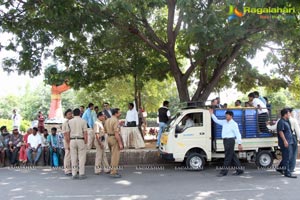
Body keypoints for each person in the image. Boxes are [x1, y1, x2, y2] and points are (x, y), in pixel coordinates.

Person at [209, 109, 244, 177]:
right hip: (225, 141)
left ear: (231, 116)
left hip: (230, 141)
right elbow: (217, 121)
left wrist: (239, 143)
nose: (226, 117)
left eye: (227, 115)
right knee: (233, 156)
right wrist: (211, 114)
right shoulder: (224, 122)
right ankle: (239, 170)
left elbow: (238, 134)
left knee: (227, 157)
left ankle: (223, 172)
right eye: (226, 115)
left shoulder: (234, 124)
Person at [67, 108, 88, 180]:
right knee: (81, 158)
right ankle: (81, 174)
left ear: (73, 114)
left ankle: (74, 174)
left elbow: (68, 133)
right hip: (80, 140)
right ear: (80, 113)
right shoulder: (83, 121)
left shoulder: (69, 122)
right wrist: (86, 142)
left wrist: (68, 142)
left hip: (72, 140)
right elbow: (85, 132)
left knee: (73, 158)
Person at [276, 108, 297, 178]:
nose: (289, 114)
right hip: (285, 142)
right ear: (285, 114)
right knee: (287, 157)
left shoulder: (286, 121)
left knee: (288, 156)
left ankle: (280, 168)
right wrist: (285, 141)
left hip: (289, 141)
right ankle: (287, 172)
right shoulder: (281, 122)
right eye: (288, 113)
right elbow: (280, 132)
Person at [104, 108, 123, 178]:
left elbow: (105, 130)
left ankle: (112, 170)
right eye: (119, 112)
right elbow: (116, 134)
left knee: (112, 155)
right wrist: (120, 143)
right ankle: (113, 172)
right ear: (116, 113)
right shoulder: (116, 121)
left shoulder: (107, 120)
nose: (120, 114)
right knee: (115, 157)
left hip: (108, 138)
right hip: (114, 139)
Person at [287, 108, 300, 173]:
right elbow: (297, 130)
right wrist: (298, 139)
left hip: (286, 138)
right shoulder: (293, 120)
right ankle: (291, 168)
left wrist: (268, 126)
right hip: (293, 137)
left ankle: (286, 167)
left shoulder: (282, 120)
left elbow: (275, 127)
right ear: (290, 113)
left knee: (288, 153)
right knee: (294, 153)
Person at [62, 109, 73, 176]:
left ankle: (74, 169)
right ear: (66, 116)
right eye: (69, 114)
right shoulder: (65, 124)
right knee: (68, 155)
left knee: (74, 156)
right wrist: (68, 144)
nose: (71, 115)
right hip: (67, 141)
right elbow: (65, 135)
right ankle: (67, 170)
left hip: (73, 140)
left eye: (71, 113)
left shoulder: (73, 122)